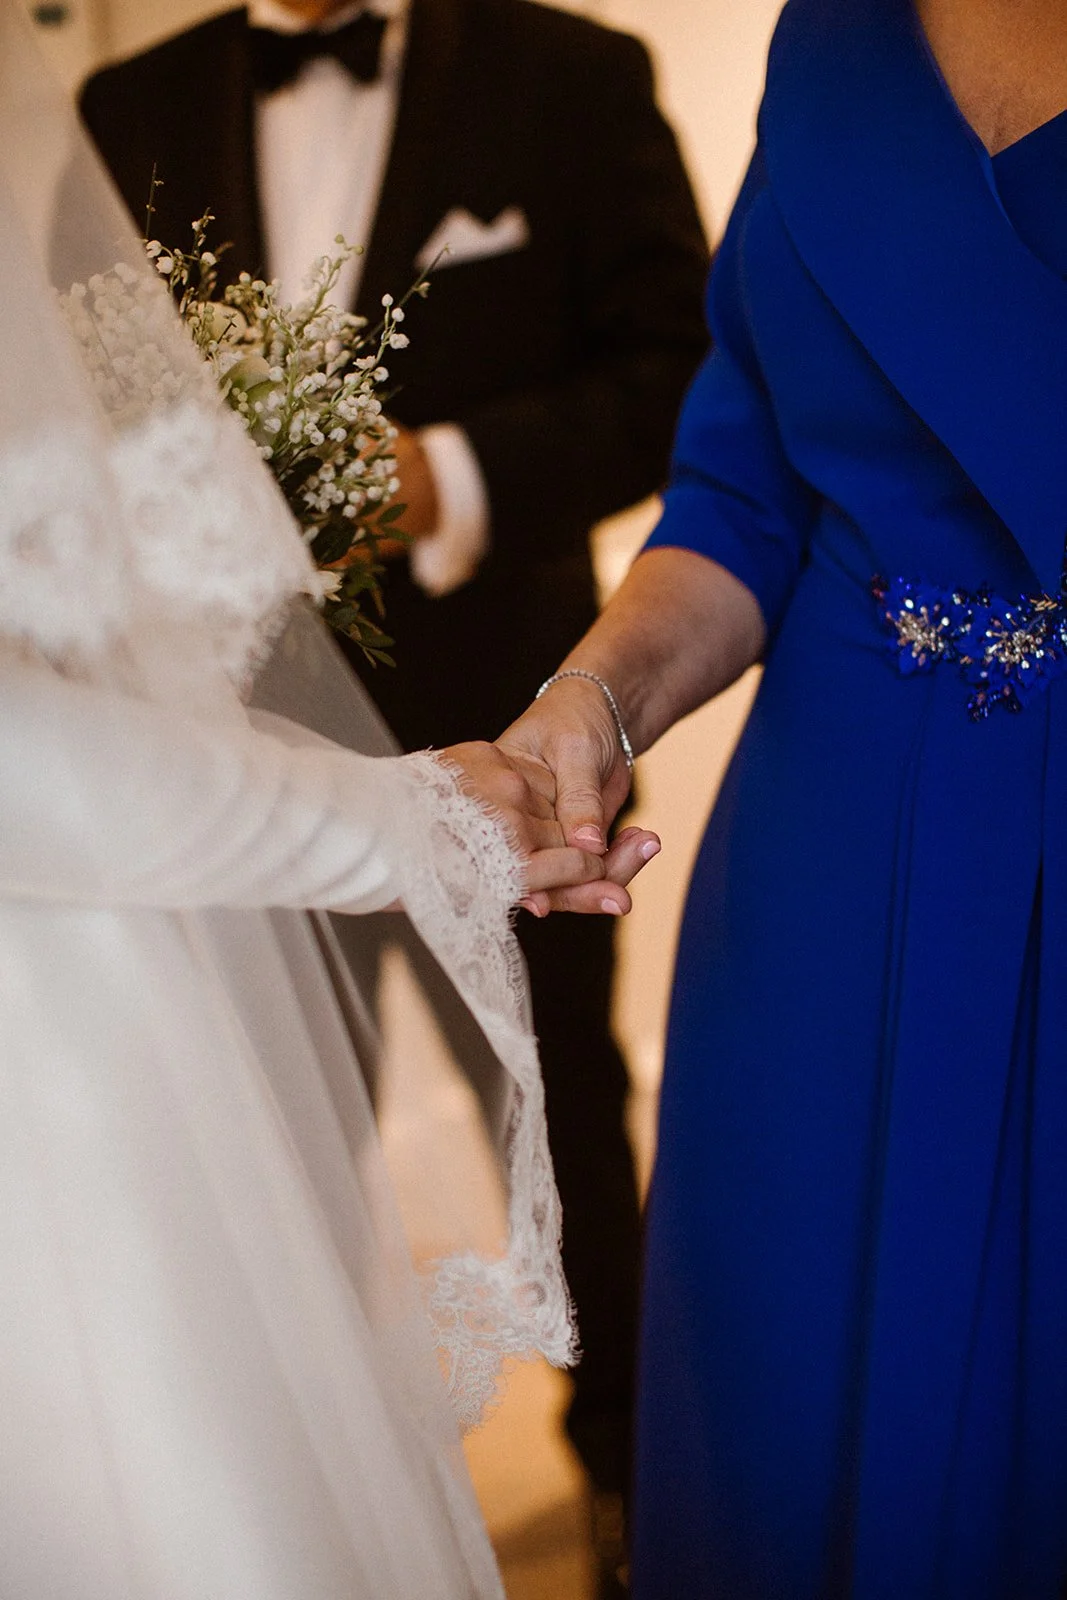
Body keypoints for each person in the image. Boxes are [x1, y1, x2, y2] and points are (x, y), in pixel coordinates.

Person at [0, 6, 660, 1594]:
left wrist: (450, 477)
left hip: (497, 721)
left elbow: (684, 380)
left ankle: (628, 1480)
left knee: (563, 1108)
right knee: (265, 1181)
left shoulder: (569, 74)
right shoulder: (119, 102)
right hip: (188, 788)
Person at [494, 0, 1067, 1593]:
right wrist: (589, 702)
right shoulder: (833, 35)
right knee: (776, 1415)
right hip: (822, 879)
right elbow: (743, 490)